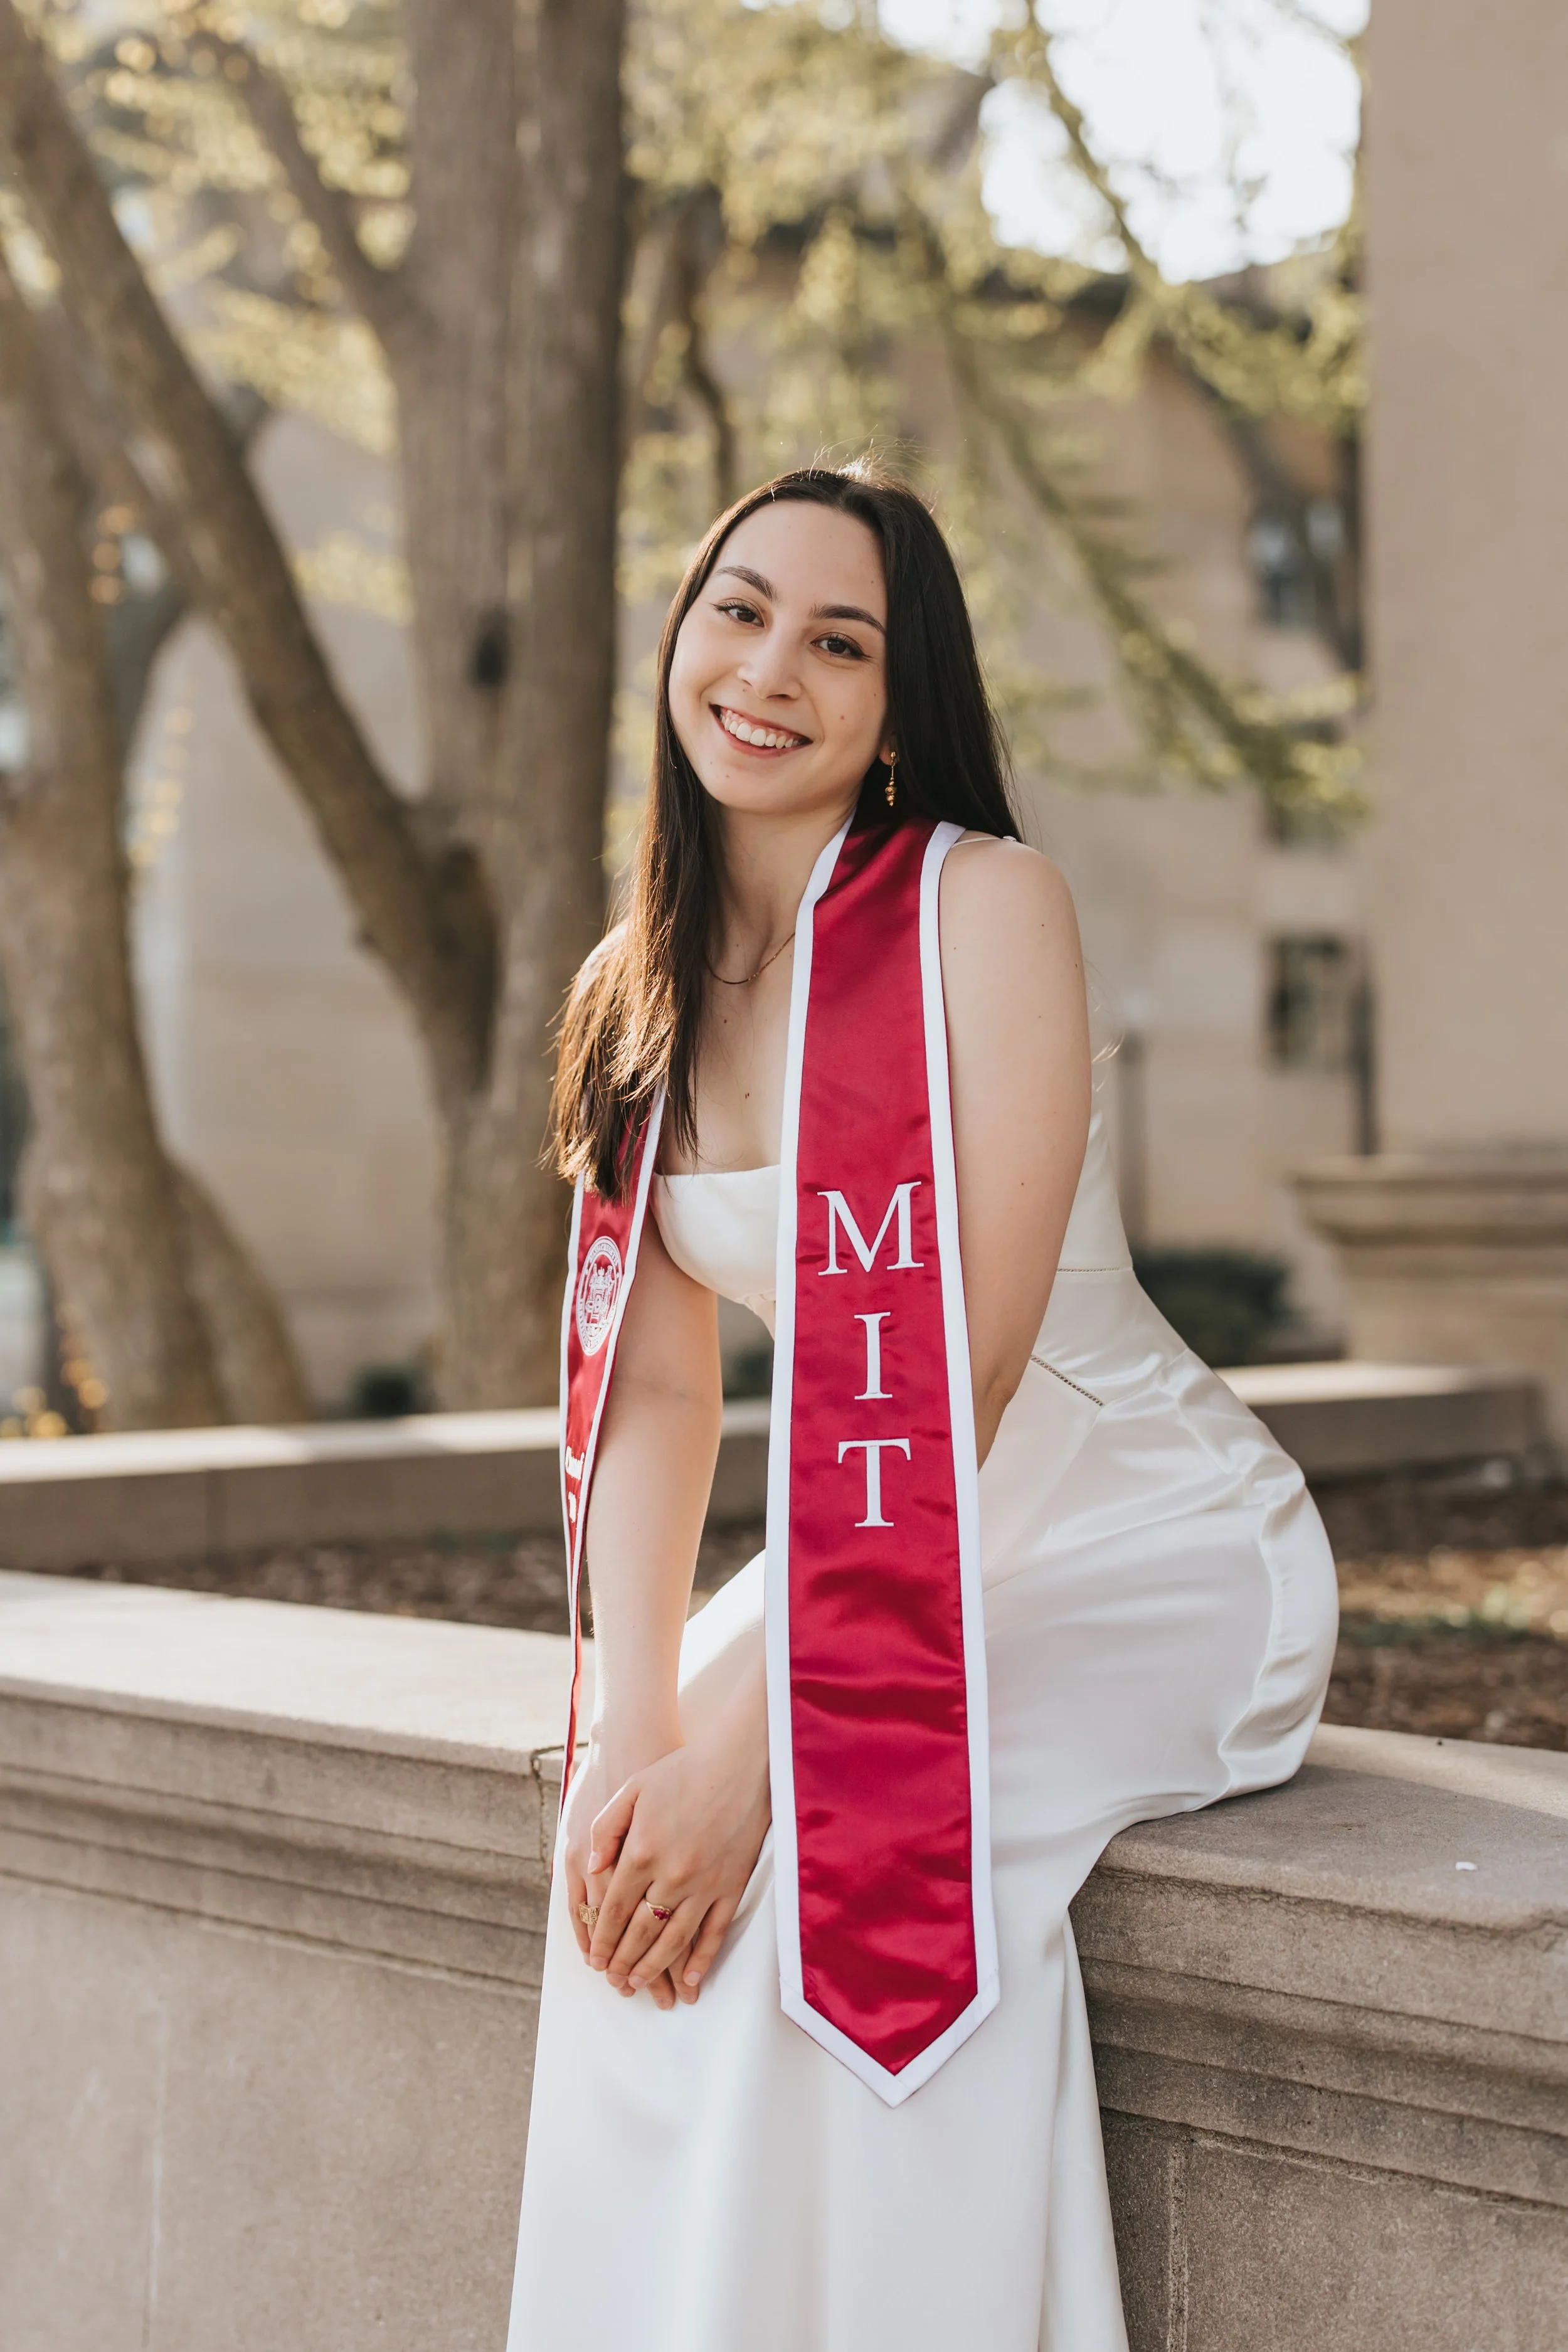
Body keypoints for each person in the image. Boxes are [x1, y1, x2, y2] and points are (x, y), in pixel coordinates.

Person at [505, 465, 1338, 2352]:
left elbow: (966, 1351)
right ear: (678, 633)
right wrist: (642, 1727)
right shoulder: (629, 988)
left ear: (901, 698)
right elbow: (648, 1381)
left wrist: (765, 1741)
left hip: (1135, 1529)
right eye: (738, 609)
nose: (768, 667)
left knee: (855, 1844)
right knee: (627, 1863)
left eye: (838, 639)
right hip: (857, 1523)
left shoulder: (984, 909)